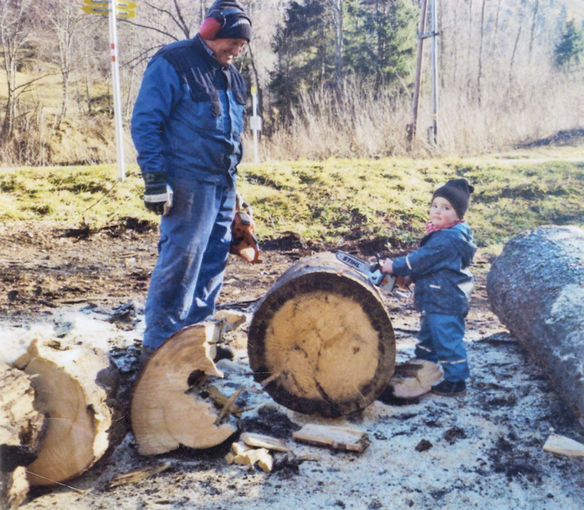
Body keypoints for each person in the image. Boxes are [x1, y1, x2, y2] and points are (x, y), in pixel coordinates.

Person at [130, 0, 252, 357]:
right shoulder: (174, 61)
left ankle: (197, 342)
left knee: (214, 261)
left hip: (222, 184)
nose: (236, 50)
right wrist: (154, 178)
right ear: (211, 31)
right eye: (231, 42)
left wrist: (235, 189)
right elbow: (146, 122)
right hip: (187, 182)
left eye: (242, 46)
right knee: (181, 261)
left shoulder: (233, 74)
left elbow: (230, 133)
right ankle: (160, 348)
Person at [381, 178, 477, 396]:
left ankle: (456, 380)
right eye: (435, 206)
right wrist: (409, 278)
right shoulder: (441, 234)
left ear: (458, 215)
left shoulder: (448, 239)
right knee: (428, 335)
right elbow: (431, 265)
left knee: (447, 340)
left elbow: (421, 259)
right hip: (435, 298)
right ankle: (424, 364)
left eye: (445, 208)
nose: (437, 211)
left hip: (446, 301)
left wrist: (394, 266)